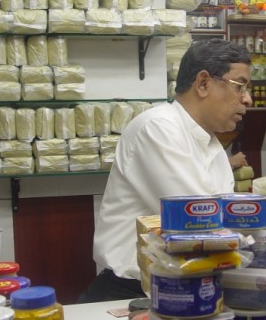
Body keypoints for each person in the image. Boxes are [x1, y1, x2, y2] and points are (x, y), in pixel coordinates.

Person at [78, 38, 252, 303]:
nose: (248, 99)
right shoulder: (158, 127)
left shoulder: (211, 143)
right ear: (203, 83)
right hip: (131, 292)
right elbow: (200, 221)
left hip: (187, 284)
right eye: (240, 86)